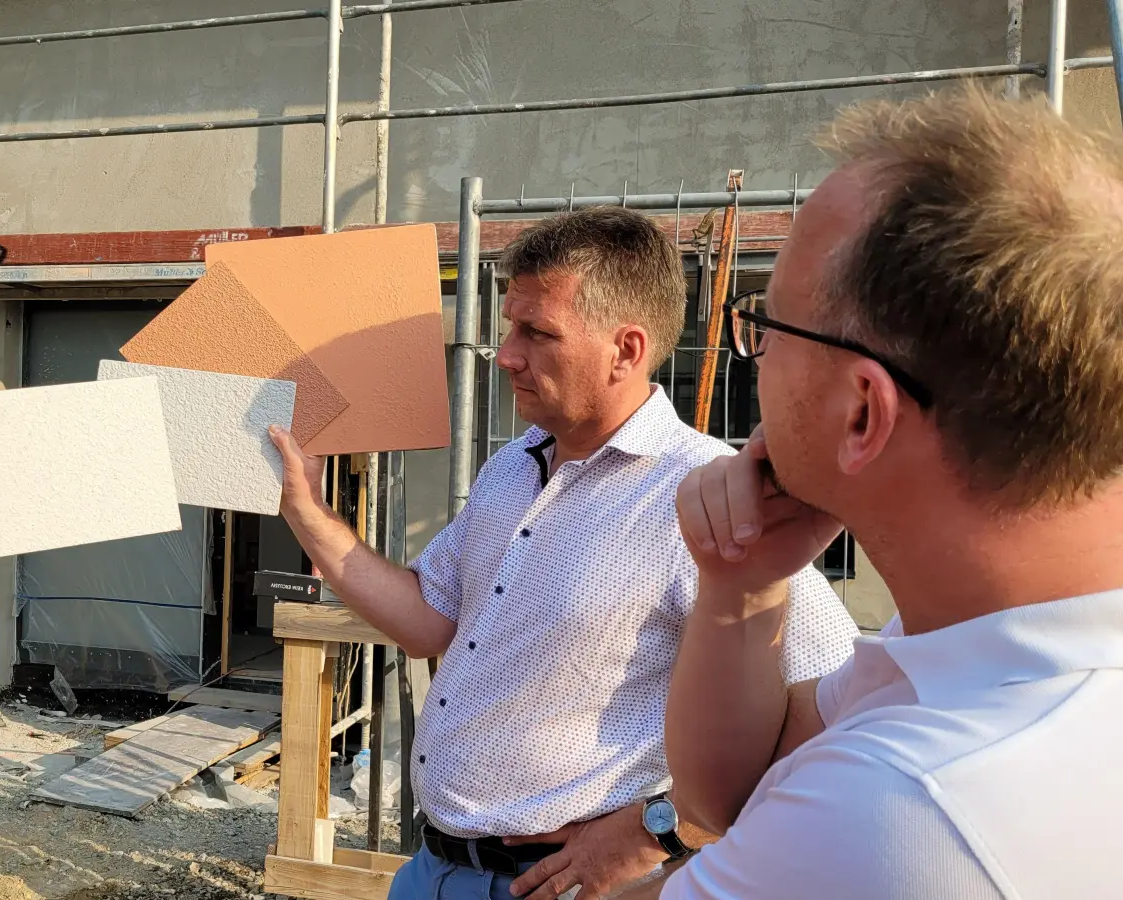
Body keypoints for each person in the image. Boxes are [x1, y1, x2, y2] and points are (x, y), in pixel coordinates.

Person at [269, 208, 859, 900]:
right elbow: (430, 618)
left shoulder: (705, 494)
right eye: (508, 327)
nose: (506, 354)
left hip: (559, 886)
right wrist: (309, 514)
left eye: (536, 333)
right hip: (430, 869)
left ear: (626, 350)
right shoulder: (513, 467)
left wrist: (662, 829)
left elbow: (836, 703)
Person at [646, 87, 1123, 899]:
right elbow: (729, 797)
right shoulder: (1002, 641)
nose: (754, 355)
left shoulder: (907, 805)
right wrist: (740, 580)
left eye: (768, 325)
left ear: (863, 411)